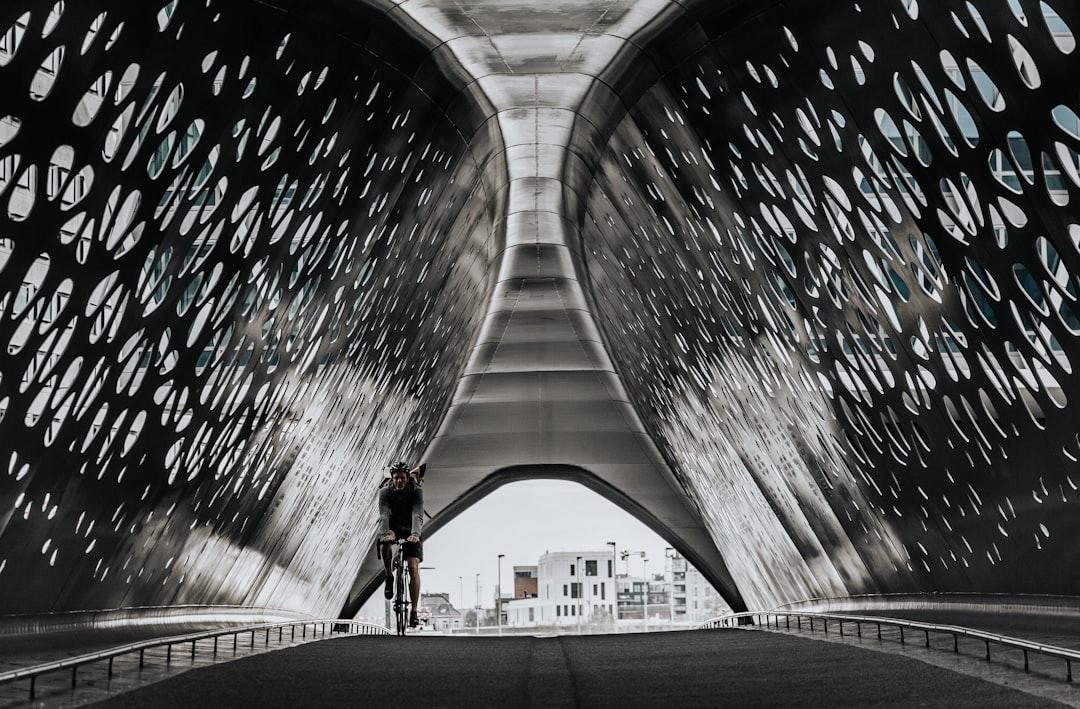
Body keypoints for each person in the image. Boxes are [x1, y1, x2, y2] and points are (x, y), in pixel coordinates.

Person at [378, 461, 425, 627]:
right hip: (393, 527)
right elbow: (383, 514)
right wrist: (385, 533)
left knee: (413, 566)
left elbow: (417, 512)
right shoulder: (385, 492)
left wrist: (415, 534)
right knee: (385, 546)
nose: (399, 481)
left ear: (407, 478)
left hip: (412, 529)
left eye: (402, 478)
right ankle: (389, 576)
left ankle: (413, 611)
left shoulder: (416, 491)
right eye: (396, 478)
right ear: (392, 478)